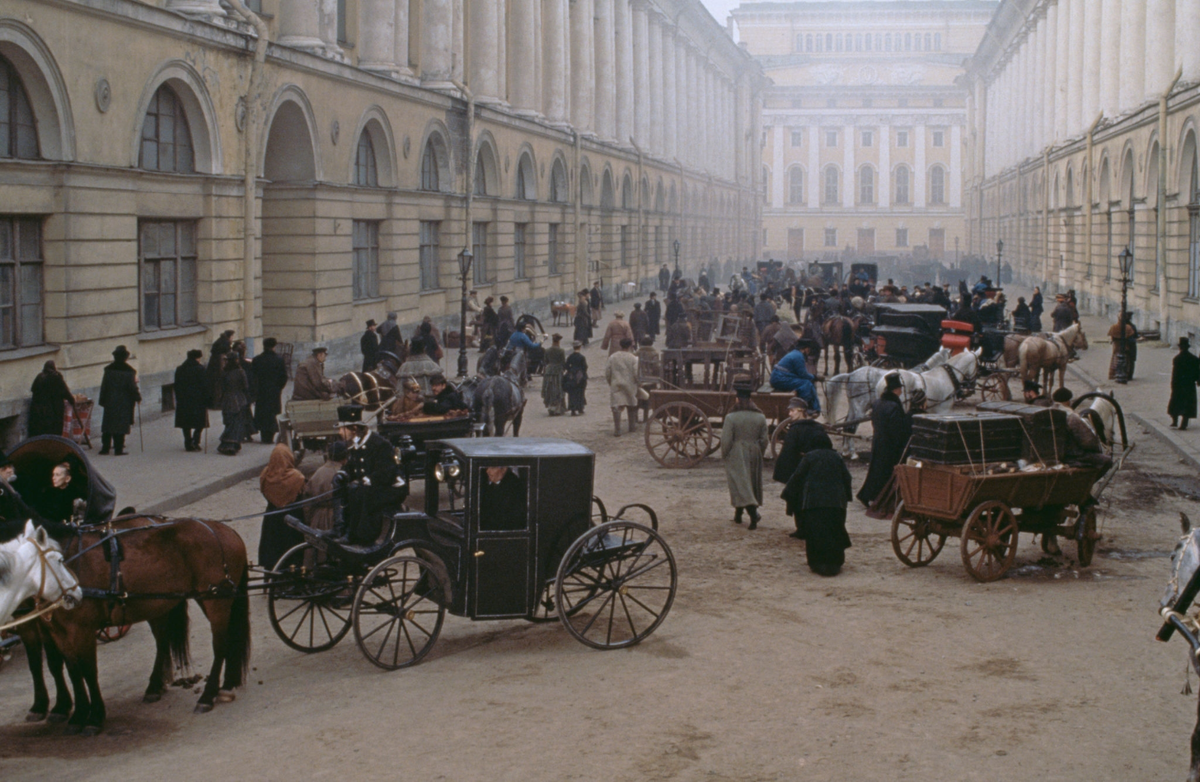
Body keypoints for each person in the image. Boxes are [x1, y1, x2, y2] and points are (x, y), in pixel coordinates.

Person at [782, 431, 853, 575]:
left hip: (814, 502)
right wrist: (847, 497)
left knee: (816, 533)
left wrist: (787, 493)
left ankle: (817, 563)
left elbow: (797, 477)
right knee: (834, 531)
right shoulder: (837, 457)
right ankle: (835, 563)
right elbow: (847, 477)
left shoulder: (809, 457)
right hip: (835, 502)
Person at [338, 404, 407, 545]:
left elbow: (387, 472)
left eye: (342, 428)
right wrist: (342, 474)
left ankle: (364, 538)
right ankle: (343, 530)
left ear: (354, 429)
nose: (339, 432)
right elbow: (353, 467)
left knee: (364, 494)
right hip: (374, 485)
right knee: (348, 490)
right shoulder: (357, 443)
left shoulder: (379, 443)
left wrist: (367, 480)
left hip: (392, 488)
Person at [857, 373, 911, 508]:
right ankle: (873, 496)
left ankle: (867, 495)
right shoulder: (893, 406)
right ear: (896, 390)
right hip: (889, 445)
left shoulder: (878, 403)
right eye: (900, 388)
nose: (901, 391)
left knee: (876, 471)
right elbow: (896, 429)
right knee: (884, 473)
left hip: (878, 441)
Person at [721, 380, 768, 529]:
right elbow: (764, 440)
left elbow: (726, 440)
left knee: (739, 483)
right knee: (750, 482)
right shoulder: (760, 417)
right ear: (750, 399)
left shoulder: (731, 418)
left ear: (737, 399)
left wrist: (725, 454)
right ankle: (738, 515)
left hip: (736, 452)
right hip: (754, 451)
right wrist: (758, 451)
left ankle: (754, 515)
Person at [258, 444, 306, 569]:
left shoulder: (265, 474)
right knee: (291, 553)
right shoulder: (297, 477)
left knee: (273, 553)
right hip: (292, 520)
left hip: (271, 519)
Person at [1052, 387, 1113, 478]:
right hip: (1072, 457)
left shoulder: (1048, 412)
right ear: (1068, 401)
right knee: (1107, 461)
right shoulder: (1071, 417)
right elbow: (1088, 441)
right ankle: (1088, 484)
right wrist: (1097, 448)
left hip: (1051, 455)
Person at [772, 398, 826, 485]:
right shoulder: (818, 428)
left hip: (799, 470)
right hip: (815, 471)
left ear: (801, 411)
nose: (790, 414)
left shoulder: (794, 430)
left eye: (792, 411)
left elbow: (787, 453)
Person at [98, 345, 140, 456]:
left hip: (110, 401)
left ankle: (105, 448)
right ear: (125, 357)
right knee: (120, 426)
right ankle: (118, 449)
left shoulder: (108, 370)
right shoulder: (129, 371)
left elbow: (104, 386)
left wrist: (102, 400)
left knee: (108, 425)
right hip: (124, 402)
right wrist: (137, 397)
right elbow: (132, 387)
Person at [304, 440, 349, 534]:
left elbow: (307, 500)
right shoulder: (344, 473)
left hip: (318, 519)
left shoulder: (318, 472)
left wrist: (310, 520)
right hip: (339, 518)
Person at [251, 338, 288, 444]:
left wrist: (255, 390)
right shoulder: (279, 360)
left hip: (261, 391)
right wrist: (279, 388)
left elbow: (253, 377)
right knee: (272, 414)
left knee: (262, 413)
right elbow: (284, 377)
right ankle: (270, 435)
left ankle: (264, 435)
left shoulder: (257, 359)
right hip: (274, 392)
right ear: (274, 346)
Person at [28, 360, 75, 438]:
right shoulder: (56, 377)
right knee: (53, 431)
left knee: (40, 431)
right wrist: (72, 400)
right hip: (53, 410)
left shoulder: (39, 377)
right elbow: (65, 392)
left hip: (38, 410)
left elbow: (33, 389)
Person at [174, 349, 210, 451]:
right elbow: (205, 386)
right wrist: (207, 399)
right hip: (198, 400)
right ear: (197, 358)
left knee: (186, 423)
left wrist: (178, 398)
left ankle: (188, 442)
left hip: (183, 400)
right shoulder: (200, 369)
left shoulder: (180, 369)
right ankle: (196, 441)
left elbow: (176, 386)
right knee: (200, 423)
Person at [769, 347, 820, 413]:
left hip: (779, 376)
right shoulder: (799, 356)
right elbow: (803, 374)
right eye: (809, 350)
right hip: (779, 378)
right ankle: (805, 406)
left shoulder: (795, 353)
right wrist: (815, 377)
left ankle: (813, 407)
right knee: (806, 384)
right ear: (806, 349)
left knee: (806, 382)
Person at [605, 338, 640, 436]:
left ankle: (617, 429)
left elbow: (608, 371)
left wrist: (610, 382)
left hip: (616, 383)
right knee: (631, 405)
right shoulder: (633, 358)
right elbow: (636, 373)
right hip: (629, 384)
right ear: (630, 346)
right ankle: (632, 427)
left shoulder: (613, 357)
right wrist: (638, 383)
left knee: (616, 406)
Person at [217, 352, 250, 455]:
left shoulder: (224, 372)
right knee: (237, 423)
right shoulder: (240, 372)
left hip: (226, 399)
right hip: (238, 399)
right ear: (236, 360)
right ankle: (231, 444)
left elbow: (221, 387)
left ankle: (227, 444)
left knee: (229, 422)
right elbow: (245, 386)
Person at [480, 467, 527, 531]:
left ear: (504, 469)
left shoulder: (514, 487)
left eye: (492, 468)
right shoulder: (488, 485)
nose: (487, 471)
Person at [1169, 337, 1200, 430]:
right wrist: (1198, 380)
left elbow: (1175, 374)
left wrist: (1173, 384)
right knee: (1187, 404)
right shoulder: (1193, 359)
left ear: (1180, 347)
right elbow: (1197, 371)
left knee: (1175, 402)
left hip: (1178, 384)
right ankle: (1184, 424)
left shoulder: (1177, 359)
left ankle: (1174, 421)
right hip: (1189, 384)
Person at [206, 329, 234, 409]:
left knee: (214, 385)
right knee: (219, 385)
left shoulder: (219, 342)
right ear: (229, 336)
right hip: (219, 368)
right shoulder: (225, 344)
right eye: (232, 336)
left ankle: (215, 403)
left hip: (213, 367)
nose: (232, 339)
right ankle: (218, 403)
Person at [1108, 312, 1138, 380]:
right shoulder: (1128, 327)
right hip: (1126, 347)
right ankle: (1126, 375)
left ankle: (1114, 374)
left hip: (1116, 348)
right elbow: (1132, 338)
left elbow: (1112, 338)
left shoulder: (1114, 327)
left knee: (1115, 360)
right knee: (1127, 361)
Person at [542, 334, 567, 416]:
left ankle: (550, 406)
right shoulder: (561, 351)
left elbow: (545, 361)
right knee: (558, 389)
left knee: (549, 388)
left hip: (549, 371)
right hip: (557, 371)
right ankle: (557, 408)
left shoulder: (547, 350)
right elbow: (563, 362)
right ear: (558, 341)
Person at [564, 341, 589, 416]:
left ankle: (573, 409)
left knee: (572, 393)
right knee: (580, 392)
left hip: (572, 376)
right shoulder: (581, 357)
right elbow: (585, 367)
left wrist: (571, 371)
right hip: (580, 377)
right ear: (580, 347)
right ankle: (580, 408)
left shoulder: (570, 357)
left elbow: (566, 366)